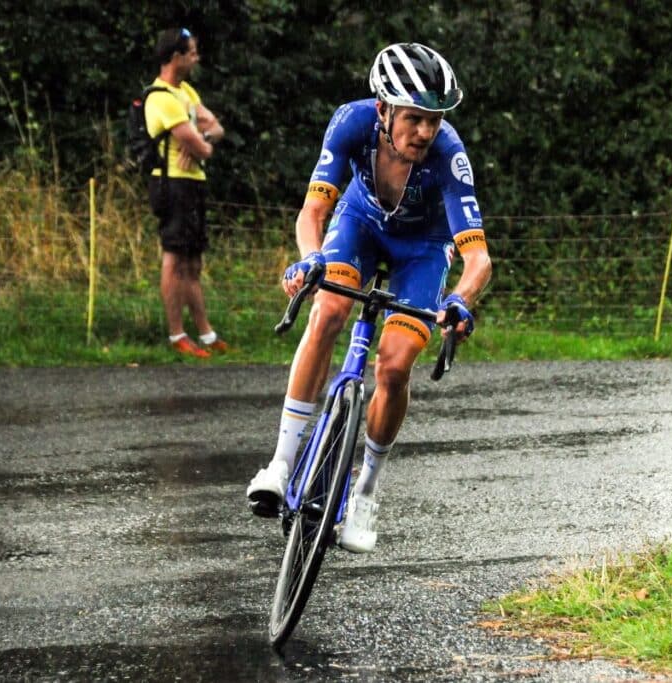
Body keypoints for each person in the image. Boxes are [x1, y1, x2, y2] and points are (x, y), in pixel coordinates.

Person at [247, 43, 492, 553]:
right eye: (413, 118)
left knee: (396, 364)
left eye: (435, 119)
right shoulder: (351, 123)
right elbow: (312, 212)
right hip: (357, 224)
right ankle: (280, 463)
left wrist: (461, 300)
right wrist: (310, 258)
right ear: (383, 110)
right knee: (329, 308)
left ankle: (366, 490)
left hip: (422, 251)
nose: (425, 131)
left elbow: (478, 259)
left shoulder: (450, 155)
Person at [145, 27, 229, 358]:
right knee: (174, 256)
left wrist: (202, 139)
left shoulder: (187, 93)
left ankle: (206, 334)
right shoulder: (161, 97)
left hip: (193, 181)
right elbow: (201, 144)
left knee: (193, 260)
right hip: (172, 183)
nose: (196, 57)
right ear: (175, 57)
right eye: (191, 52)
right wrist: (202, 141)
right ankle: (176, 334)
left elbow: (214, 129)